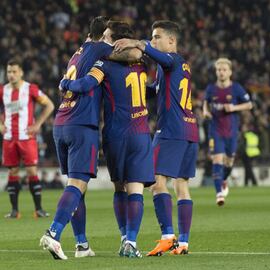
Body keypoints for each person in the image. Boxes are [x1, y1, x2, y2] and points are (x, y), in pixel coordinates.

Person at [40, 16, 140, 260]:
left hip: (61, 123)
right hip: (81, 126)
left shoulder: (77, 53)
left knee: (76, 188)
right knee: (77, 185)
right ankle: (53, 233)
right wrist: (137, 43)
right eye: (107, 35)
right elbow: (134, 55)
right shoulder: (100, 48)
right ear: (101, 35)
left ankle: (82, 245)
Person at [115, 20, 199, 255]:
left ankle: (167, 235)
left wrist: (137, 43)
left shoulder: (171, 60)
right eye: (152, 37)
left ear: (171, 40)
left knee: (154, 183)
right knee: (181, 185)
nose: (153, 41)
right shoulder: (179, 66)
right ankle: (183, 243)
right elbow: (154, 90)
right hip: (190, 130)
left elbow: (155, 55)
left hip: (170, 131)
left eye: (156, 37)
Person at [0, 59, 54, 219]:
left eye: (14, 71)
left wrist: (37, 124)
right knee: (13, 172)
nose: (11, 75)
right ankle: (14, 211)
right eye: (9, 72)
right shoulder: (3, 90)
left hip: (27, 137)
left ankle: (38, 209)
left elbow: (50, 105)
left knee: (32, 171)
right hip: (9, 138)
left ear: (21, 72)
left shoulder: (30, 89)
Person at [203, 58, 253, 205]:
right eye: (219, 70)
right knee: (217, 160)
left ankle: (223, 179)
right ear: (216, 72)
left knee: (229, 162)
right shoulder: (211, 88)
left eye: (224, 70)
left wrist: (234, 108)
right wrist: (205, 111)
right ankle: (219, 194)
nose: (221, 72)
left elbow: (249, 104)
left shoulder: (236, 88)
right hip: (215, 130)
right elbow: (206, 102)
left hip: (231, 132)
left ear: (230, 72)